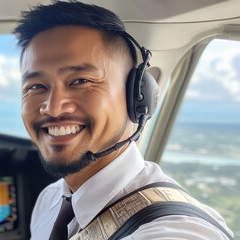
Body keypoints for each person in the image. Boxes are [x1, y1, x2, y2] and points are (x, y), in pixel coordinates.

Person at [13, 1, 234, 239]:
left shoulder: (176, 231)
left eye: (80, 81)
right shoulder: (50, 200)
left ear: (136, 96)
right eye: (36, 86)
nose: (53, 108)